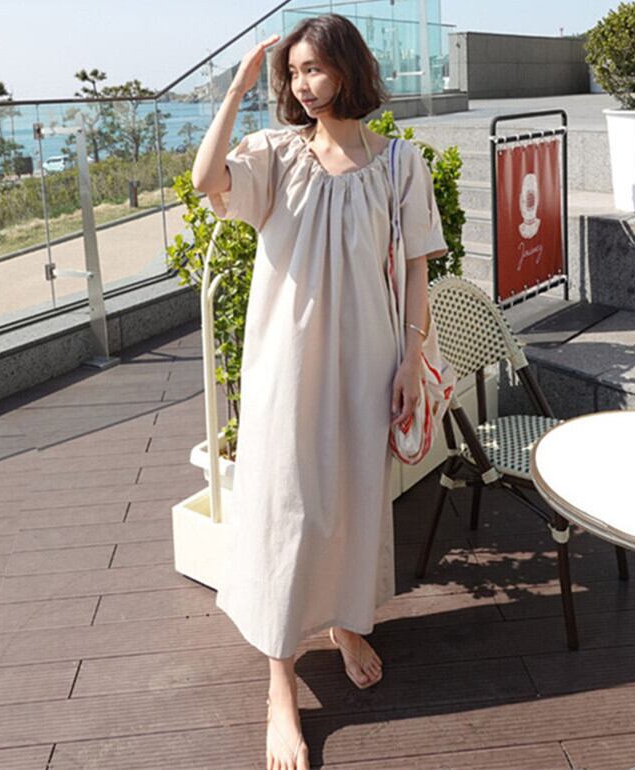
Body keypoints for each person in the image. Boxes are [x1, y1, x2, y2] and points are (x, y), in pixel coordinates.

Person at [191, 14, 448, 770]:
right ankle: (281, 681)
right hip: (285, 364)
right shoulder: (273, 153)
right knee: (288, 507)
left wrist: (409, 358)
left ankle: (342, 621)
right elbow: (207, 181)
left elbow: (416, 266)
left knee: (353, 495)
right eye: (293, 72)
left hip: (369, 357)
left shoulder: (399, 162)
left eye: (315, 68)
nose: (302, 84)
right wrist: (236, 90)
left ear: (347, 68)